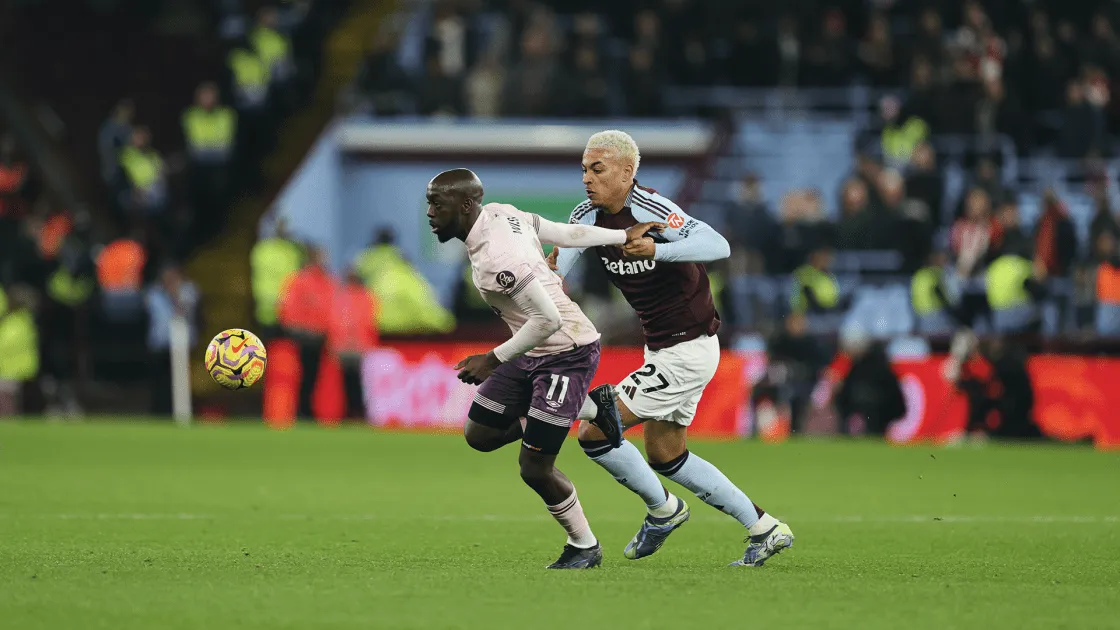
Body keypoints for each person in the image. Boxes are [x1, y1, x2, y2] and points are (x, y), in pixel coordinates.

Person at [548, 130, 794, 567]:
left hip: (689, 349)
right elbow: (556, 272)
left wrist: (659, 248)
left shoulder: (654, 210)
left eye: (597, 169)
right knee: (666, 453)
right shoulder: (586, 215)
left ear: (627, 172)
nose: (586, 178)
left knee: (595, 428)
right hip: (663, 349)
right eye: (584, 169)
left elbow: (718, 245)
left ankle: (664, 511)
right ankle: (765, 528)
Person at [425, 168, 661, 569]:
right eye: (429, 202)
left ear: (465, 206)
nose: (430, 212)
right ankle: (591, 407)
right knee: (480, 434)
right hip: (532, 349)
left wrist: (492, 358)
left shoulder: (498, 260)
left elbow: (549, 320)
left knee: (534, 467)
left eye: (437, 203)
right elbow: (564, 232)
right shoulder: (502, 214)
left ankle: (584, 546)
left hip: (566, 351)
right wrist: (622, 235)